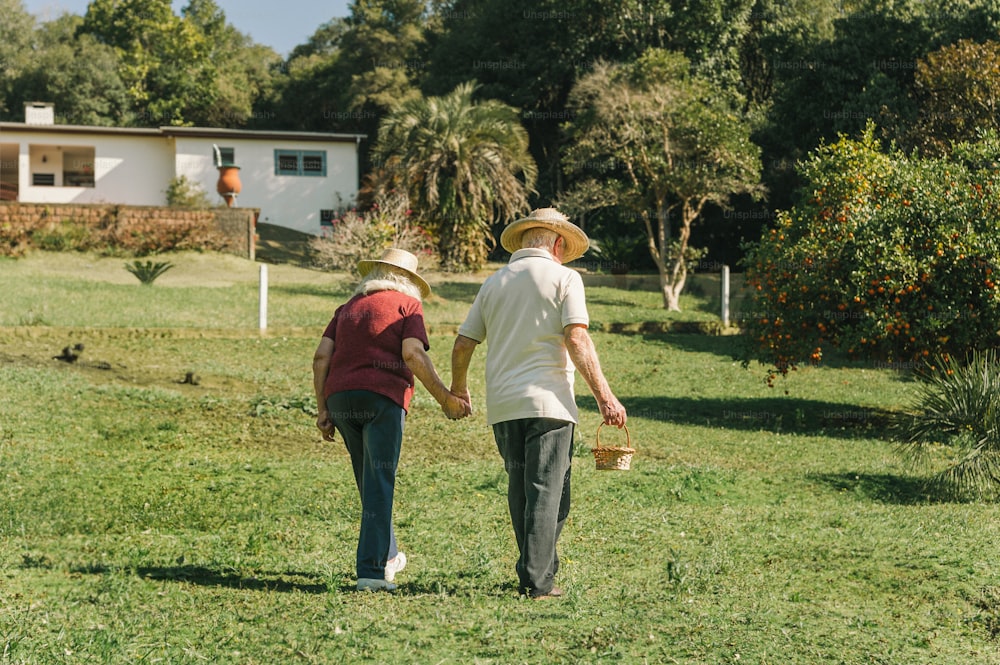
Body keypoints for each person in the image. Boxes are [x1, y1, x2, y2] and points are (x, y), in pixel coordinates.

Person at [450, 208, 627, 600]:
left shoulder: (493, 282)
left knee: (523, 489)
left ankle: (535, 567)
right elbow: (577, 340)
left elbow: (464, 343)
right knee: (549, 491)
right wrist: (605, 398)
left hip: (503, 405)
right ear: (559, 244)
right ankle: (536, 580)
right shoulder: (566, 278)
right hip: (549, 404)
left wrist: (459, 389)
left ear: (526, 240)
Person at [313, 248, 470, 592]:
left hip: (341, 399)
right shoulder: (407, 305)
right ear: (409, 281)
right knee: (380, 480)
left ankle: (388, 555)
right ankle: (370, 573)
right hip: (383, 397)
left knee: (370, 481)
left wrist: (323, 408)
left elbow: (321, 357)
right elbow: (412, 353)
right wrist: (445, 397)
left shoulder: (347, 308)